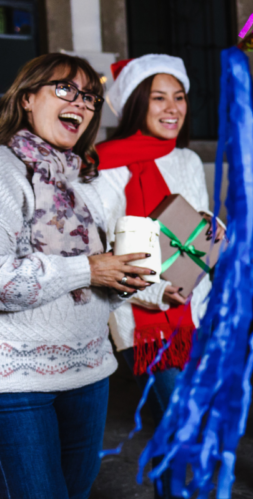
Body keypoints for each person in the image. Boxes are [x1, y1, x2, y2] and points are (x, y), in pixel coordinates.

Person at [0, 54, 152, 499]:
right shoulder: (5, 172)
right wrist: (90, 267)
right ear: (28, 98)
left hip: (89, 370)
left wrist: (125, 279)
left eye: (89, 96)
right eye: (64, 89)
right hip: (19, 384)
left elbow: (96, 287)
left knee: (76, 492)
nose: (81, 103)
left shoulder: (82, 181)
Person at [74, 54, 217, 499]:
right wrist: (157, 291)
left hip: (196, 314)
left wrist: (213, 229)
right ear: (137, 102)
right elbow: (99, 251)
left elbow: (194, 233)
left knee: (184, 429)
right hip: (148, 322)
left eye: (179, 97)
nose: (172, 107)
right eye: (158, 98)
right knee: (178, 427)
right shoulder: (105, 167)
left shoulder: (189, 161)